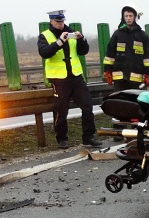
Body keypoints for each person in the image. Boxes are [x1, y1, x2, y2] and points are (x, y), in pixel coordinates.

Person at [37, 9, 101, 149]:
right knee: (61, 109)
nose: (61, 24)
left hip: (76, 76)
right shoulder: (45, 36)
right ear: (51, 21)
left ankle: (88, 137)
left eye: (62, 21)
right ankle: (61, 138)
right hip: (59, 79)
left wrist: (82, 39)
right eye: (58, 22)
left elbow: (83, 51)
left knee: (87, 105)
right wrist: (59, 42)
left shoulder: (71, 32)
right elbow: (44, 53)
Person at [103, 3, 149, 91]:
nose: (128, 18)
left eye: (130, 16)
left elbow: (148, 57)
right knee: (120, 103)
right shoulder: (117, 34)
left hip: (136, 79)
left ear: (135, 17)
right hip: (120, 79)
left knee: (134, 103)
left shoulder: (142, 36)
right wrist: (107, 71)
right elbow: (110, 55)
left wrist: (148, 74)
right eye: (126, 16)